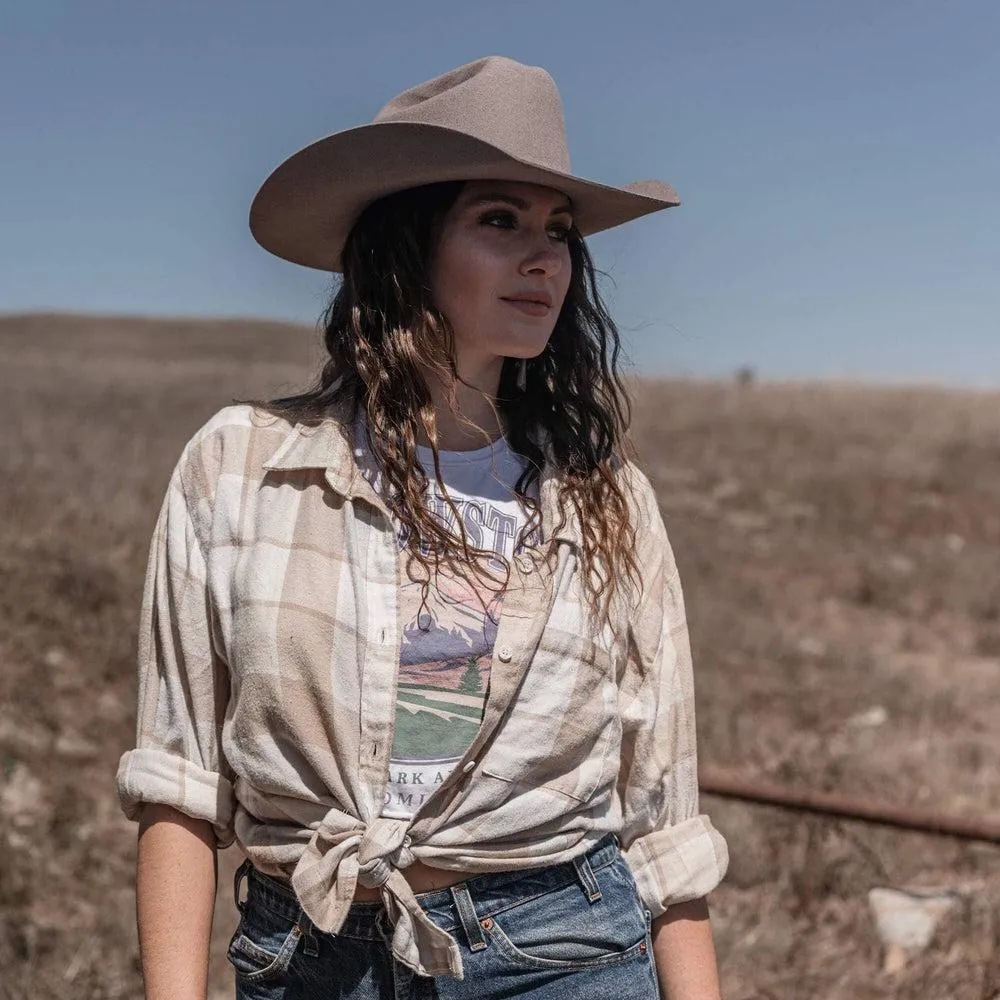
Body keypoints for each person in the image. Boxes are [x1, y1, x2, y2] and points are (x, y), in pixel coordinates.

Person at [115, 55, 729, 1000]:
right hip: (312, 957)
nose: (544, 257)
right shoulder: (243, 464)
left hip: (559, 951)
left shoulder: (606, 499)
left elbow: (661, 822)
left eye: (559, 232)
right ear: (406, 246)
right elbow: (179, 780)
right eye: (499, 220)